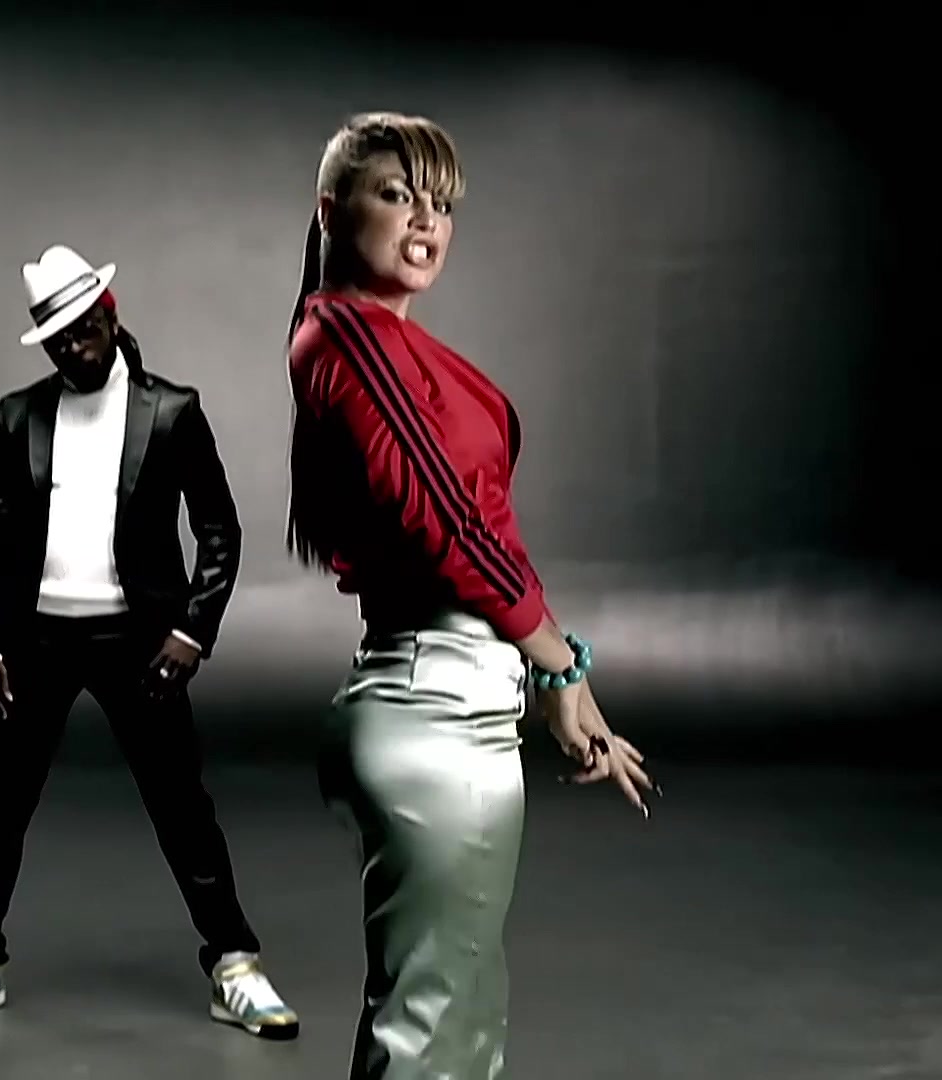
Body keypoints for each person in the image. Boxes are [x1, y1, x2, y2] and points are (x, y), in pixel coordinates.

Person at [283, 113, 658, 1078]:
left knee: (464, 1019)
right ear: (331, 209)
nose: (426, 222)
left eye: (442, 204)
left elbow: (485, 528)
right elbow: (446, 523)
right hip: (431, 711)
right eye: (396, 195)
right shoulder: (346, 339)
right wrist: (560, 663)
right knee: (431, 1028)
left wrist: (557, 681)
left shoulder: (394, 346)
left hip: (468, 699)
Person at [0, 243, 298, 1040]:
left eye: (83, 332)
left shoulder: (171, 411)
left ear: (110, 317)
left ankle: (235, 962)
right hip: (35, 641)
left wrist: (192, 629)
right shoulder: (18, 415)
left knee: (181, 806)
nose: (73, 350)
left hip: (139, 641)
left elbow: (220, 530)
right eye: (57, 341)